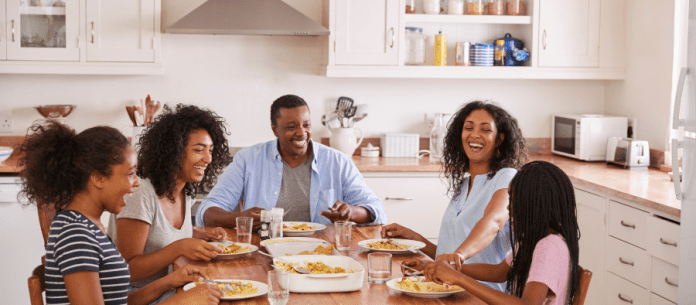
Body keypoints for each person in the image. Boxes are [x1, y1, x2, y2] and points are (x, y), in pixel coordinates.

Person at [18, 122, 222, 305]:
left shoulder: (89, 225)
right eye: (130, 173)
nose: (136, 182)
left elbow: (118, 301)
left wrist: (168, 282)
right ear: (98, 178)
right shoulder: (75, 233)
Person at [382, 100, 527, 291]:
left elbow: (494, 222)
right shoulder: (464, 185)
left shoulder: (507, 177)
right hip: (450, 290)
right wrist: (414, 238)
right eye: (468, 128)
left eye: (485, 130)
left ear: (499, 139)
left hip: (482, 295)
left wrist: (459, 255)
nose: (474, 134)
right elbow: (449, 257)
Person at [197, 94, 386, 227]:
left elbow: (377, 210)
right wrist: (239, 218)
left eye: (306, 125)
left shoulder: (338, 162)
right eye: (291, 127)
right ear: (274, 129)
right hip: (263, 250)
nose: (301, 133)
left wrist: (351, 213)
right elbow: (206, 211)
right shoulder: (248, 159)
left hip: (323, 253)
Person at [109, 104, 232, 300]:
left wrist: (200, 233)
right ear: (173, 151)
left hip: (170, 287)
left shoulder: (184, 191)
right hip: (136, 296)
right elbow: (127, 270)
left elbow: (159, 233)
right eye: (199, 150)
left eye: (211, 150)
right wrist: (180, 247)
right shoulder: (141, 194)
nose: (208, 158)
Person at [417, 161, 581, 305]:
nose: (509, 208)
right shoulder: (534, 241)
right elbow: (499, 272)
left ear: (536, 207)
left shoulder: (549, 246)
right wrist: (449, 268)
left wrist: (458, 278)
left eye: (515, 201)